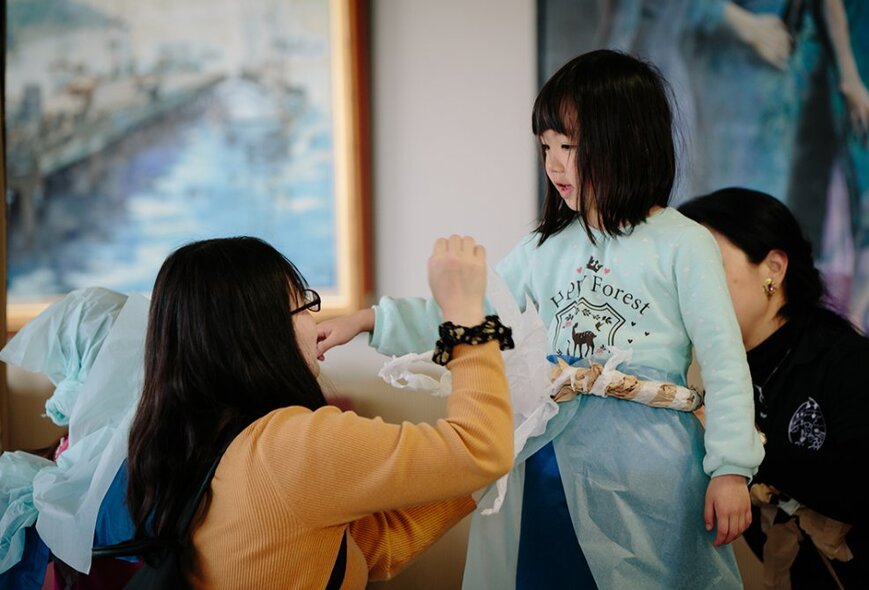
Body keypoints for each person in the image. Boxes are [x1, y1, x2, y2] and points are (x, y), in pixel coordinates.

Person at [317, 50, 764, 588]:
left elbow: (725, 363)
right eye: (546, 147)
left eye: (569, 147)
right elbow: (473, 315)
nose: (553, 164)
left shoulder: (683, 243)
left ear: (627, 141)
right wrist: (369, 319)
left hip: (651, 471)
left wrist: (732, 469)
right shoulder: (543, 248)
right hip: (551, 463)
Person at [125, 235, 515, 589]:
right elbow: (479, 447)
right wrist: (465, 315)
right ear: (260, 332)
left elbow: (370, 548)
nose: (315, 324)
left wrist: (481, 463)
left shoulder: (200, 435)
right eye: (303, 307)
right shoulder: (289, 445)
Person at [679, 187, 869, 588]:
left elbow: (865, 488)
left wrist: (742, 444)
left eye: (707, 266)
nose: (691, 289)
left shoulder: (850, 364)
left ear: (773, 267)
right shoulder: (728, 378)